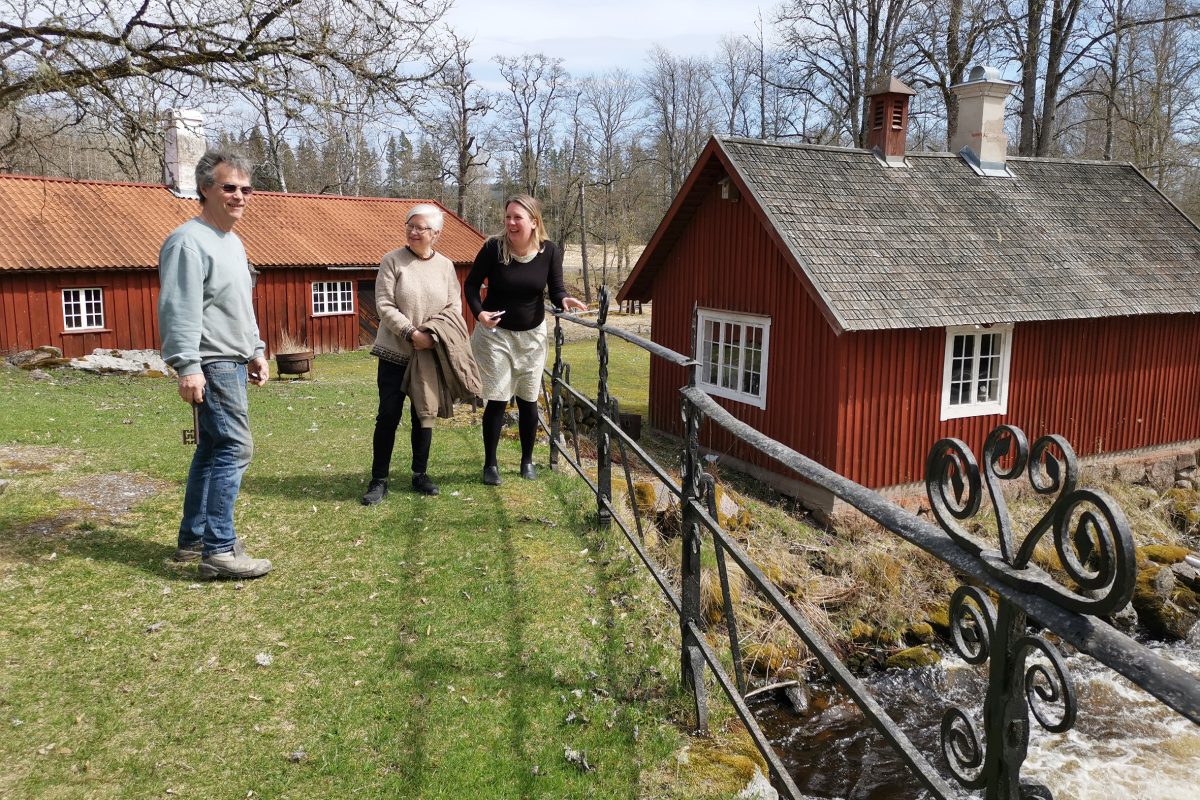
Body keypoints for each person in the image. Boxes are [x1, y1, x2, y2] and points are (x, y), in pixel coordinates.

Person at [158, 150, 272, 580]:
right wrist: (187, 366)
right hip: (212, 362)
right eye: (229, 187)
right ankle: (220, 549)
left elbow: (237, 306)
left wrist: (256, 349)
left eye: (245, 189)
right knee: (234, 448)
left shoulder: (232, 241)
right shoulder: (188, 241)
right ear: (205, 189)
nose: (239, 196)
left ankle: (193, 540)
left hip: (234, 360)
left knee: (210, 449)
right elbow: (178, 309)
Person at [465, 194, 587, 486]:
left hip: (532, 337)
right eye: (508, 217)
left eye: (517, 217)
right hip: (496, 336)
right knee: (496, 399)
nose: (510, 222)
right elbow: (470, 285)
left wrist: (564, 298)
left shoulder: (549, 251)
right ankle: (490, 464)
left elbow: (554, 289)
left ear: (534, 222)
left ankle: (527, 461)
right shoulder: (493, 248)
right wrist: (480, 314)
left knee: (528, 399)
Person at [362, 204, 474, 504]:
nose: (413, 231)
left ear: (436, 234)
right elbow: (384, 304)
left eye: (420, 227)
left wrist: (432, 336)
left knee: (424, 415)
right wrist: (412, 333)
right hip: (394, 353)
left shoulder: (446, 266)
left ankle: (419, 474)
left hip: (429, 354)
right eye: (410, 225)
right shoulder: (392, 261)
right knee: (388, 415)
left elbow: (453, 307)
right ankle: (379, 479)